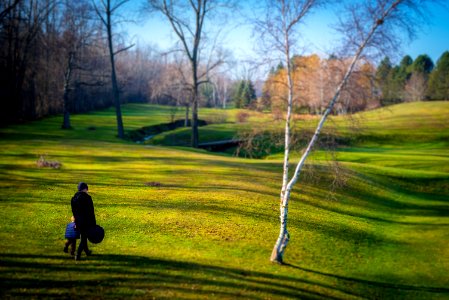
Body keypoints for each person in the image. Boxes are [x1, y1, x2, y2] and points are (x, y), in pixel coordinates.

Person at [71, 182, 96, 261]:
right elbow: (91, 212)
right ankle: (77, 254)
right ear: (85, 189)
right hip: (86, 221)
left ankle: (87, 251)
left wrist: (75, 221)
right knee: (84, 238)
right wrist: (93, 223)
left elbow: (73, 211)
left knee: (83, 237)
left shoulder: (74, 198)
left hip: (78, 221)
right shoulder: (87, 198)